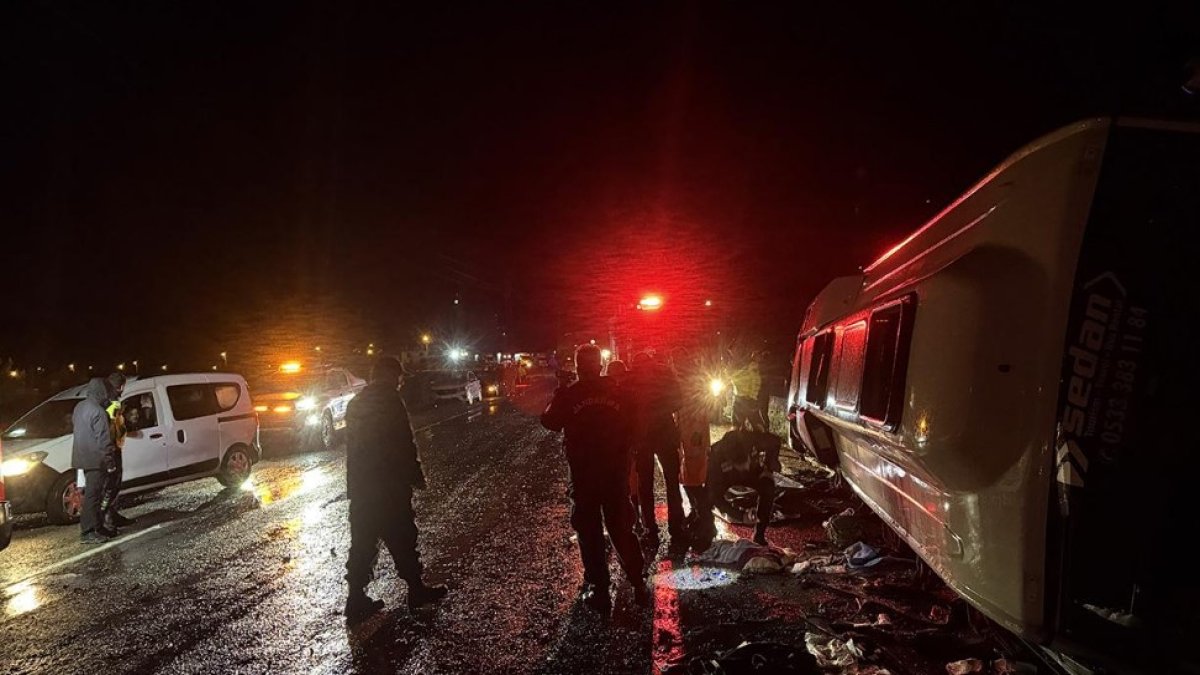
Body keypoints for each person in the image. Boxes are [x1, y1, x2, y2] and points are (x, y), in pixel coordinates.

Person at [542, 344, 647, 611]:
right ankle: (638, 581)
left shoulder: (571, 394)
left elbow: (549, 421)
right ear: (600, 366)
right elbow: (637, 424)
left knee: (589, 532)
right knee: (620, 526)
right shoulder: (619, 392)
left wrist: (561, 390)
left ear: (578, 368)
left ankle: (599, 588)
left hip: (584, 475)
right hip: (614, 473)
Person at [344, 356, 447, 624]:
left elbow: (354, 449)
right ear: (390, 375)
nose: (400, 382)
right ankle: (416, 590)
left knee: (362, 544)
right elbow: (402, 443)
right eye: (399, 377)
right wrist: (416, 475)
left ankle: (355, 599)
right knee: (403, 538)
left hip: (362, 488)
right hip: (389, 487)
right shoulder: (390, 401)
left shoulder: (356, 403)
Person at [626, 351, 685, 543]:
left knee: (645, 484)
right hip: (664, 433)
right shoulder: (664, 374)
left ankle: (650, 528)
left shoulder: (631, 378)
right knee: (672, 482)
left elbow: (626, 406)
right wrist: (661, 409)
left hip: (642, 435)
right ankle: (676, 526)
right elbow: (678, 401)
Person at [705, 428, 782, 545]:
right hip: (727, 477)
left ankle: (759, 534)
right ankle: (706, 529)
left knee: (768, 486)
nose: (744, 467)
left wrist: (768, 467)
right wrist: (741, 516)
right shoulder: (715, 458)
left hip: (753, 472)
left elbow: (775, 441)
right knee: (707, 497)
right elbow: (716, 497)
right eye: (740, 464)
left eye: (745, 461)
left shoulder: (752, 438)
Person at [670, 349, 715, 544]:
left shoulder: (691, 383)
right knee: (688, 478)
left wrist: (697, 436)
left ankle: (705, 519)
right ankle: (699, 513)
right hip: (687, 436)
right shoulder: (684, 381)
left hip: (694, 436)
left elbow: (700, 411)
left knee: (693, 481)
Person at [72, 378, 119, 543]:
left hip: (82, 457)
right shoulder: (99, 411)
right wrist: (110, 463)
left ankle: (97, 527)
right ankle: (88, 531)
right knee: (94, 496)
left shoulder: (79, 407)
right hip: (96, 460)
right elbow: (104, 441)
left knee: (91, 495)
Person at [100, 373, 135, 531]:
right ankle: (106, 519)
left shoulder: (106, 400)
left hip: (111, 448)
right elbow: (111, 426)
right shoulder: (112, 402)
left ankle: (112, 515)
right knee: (111, 485)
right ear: (120, 386)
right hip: (112, 449)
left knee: (112, 485)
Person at [732, 352, 766, 432]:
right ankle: (760, 436)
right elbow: (754, 383)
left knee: (737, 425)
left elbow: (736, 379)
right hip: (749, 399)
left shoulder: (749, 368)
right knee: (756, 424)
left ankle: (737, 435)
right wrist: (752, 396)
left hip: (742, 398)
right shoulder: (754, 369)